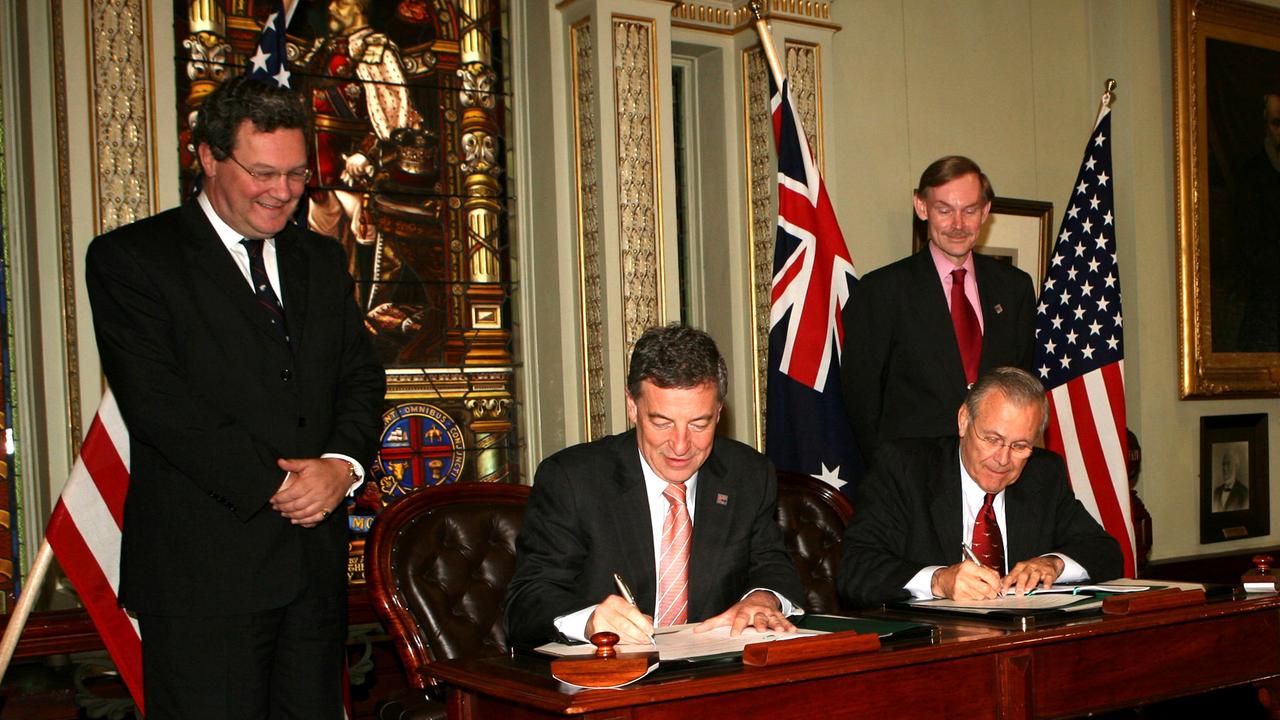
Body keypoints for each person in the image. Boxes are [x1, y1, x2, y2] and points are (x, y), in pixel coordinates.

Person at [85, 74, 385, 719]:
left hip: (312, 573)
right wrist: (281, 487)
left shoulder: (322, 260)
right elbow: (160, 403)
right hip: (203, 576)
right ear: (208, 157)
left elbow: (359, 377)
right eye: (262, 173)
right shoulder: (131, 259)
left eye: (299, 174)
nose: (283, 192)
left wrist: (342, 468)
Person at [504, 324, 806, 648]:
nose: (680, 445)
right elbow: (526, 603)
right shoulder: (572, 481)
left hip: (714, 680)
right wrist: (590, 621)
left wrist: (763, 598)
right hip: (607, 683)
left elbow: (773, 567)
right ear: (633, 407)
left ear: (719, 412)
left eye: (699, 424)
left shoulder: (748, 474)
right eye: (662, 423)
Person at [838, 367, 1122, 608]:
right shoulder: (906, 469)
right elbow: (856, 568)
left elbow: (1105, 552)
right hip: (933, 650)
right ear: (964, 420)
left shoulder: (1043, 474)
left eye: (1020, 446)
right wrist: (939, 580)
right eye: (991, 439)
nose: (1002, 459)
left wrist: (1053, 564)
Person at [841, 156, 1035, 461]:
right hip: (912, 478)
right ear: (921, 207)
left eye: (969, 210)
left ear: (985, 211)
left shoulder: (1015, 288)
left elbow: (1023, 384)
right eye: (944, 210)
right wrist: (891, 473)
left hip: (996, 472)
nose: (958, 224)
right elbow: (860, 399)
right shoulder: (882, 290)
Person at [1232, 94, 1280, 351]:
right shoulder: (1252, 176)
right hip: (1267, 298)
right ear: (1266, 126)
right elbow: (1248, 242)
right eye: (1277, 124)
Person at [1212, 444, 1249, 513]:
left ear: (1236, 466)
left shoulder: (1244, 494)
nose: (1224, 468)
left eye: (1228, 464)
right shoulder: (1216, 492)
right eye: (1223, 464)